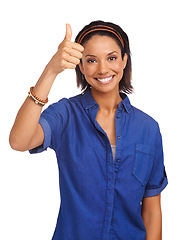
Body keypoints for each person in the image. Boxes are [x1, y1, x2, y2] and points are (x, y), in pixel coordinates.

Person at [9, 20, 168, 240]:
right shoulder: (65, 115)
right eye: (91, 60)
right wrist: (51, 70)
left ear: (124, 61)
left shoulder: (148, 129)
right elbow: (19, 141)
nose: (103, 69)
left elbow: (152, 210)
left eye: (111, 58)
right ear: (81, 67)